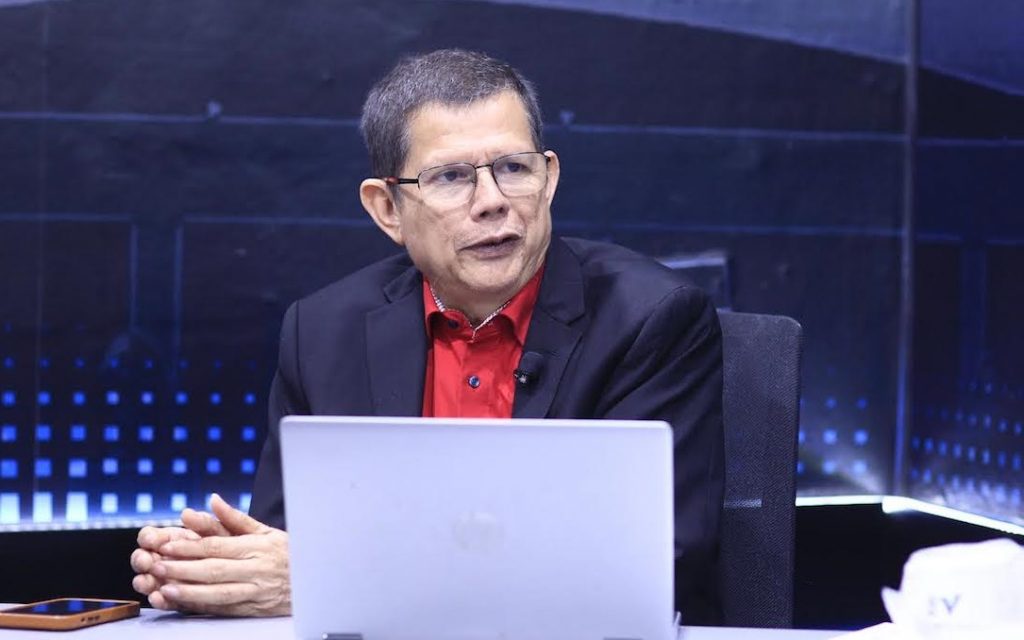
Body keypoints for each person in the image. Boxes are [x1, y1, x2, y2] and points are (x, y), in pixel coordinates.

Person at [130, 48, 724, 623]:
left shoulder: (650, 319)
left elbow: (648, 566)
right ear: (387, 209)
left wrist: (330, 575)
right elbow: (282, 548)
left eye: (514, 168)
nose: (491, 202)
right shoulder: (323, 333)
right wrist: (217, 572)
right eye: (451, 177)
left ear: (549, 179)